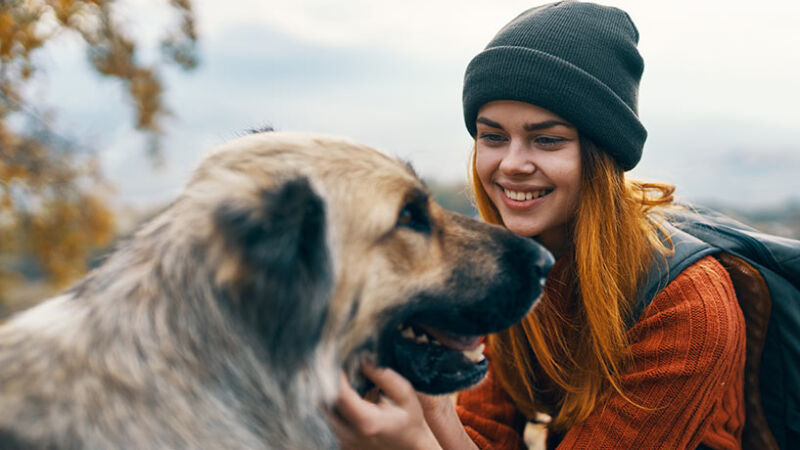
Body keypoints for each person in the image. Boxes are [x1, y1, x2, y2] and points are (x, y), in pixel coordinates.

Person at [331, 1, 746, 449]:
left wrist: (416, 441)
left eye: (546, 140)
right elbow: (483, 436)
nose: (511, 165)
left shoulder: (690, 309)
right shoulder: (513, 259)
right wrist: (430, 398)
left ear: (601, 157)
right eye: (492, 136)